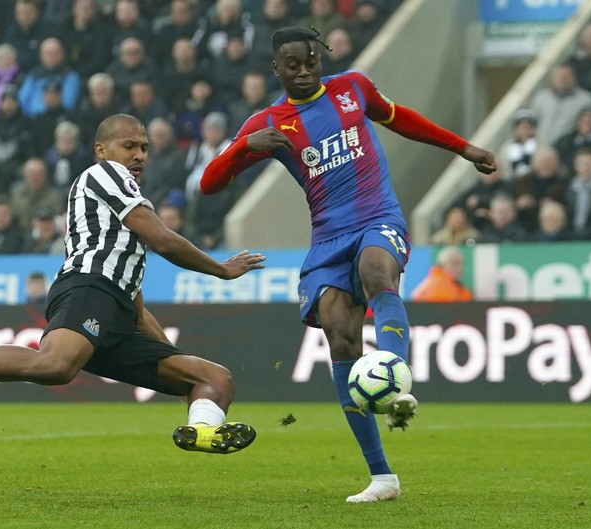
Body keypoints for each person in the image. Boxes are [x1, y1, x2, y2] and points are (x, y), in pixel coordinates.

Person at [199, 27, 496, 502]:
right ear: (276, 70)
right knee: (340, 338)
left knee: (377, 273)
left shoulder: (353, 87)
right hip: (327, 238)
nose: (303, 71)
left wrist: (463, 148)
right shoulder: (271, 122)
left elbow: (402, 120)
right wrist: (244, 146)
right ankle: (383, 478)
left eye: (309, 62)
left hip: (378, 216)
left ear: (319, 58)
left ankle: (395, 375)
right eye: (292, 65)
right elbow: (209, 185)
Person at [0, 114, 265, 456]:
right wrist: (220, 269)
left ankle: (203, 430)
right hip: (87, 288)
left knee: (214, 379)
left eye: (144, 147)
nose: (139, 155)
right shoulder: (104, 175)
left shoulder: (122, 205)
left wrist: (173, 366)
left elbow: (132, 299)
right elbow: (161, 239)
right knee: (55, 365)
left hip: (117, 309)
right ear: (101, 151)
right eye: (129, 146)